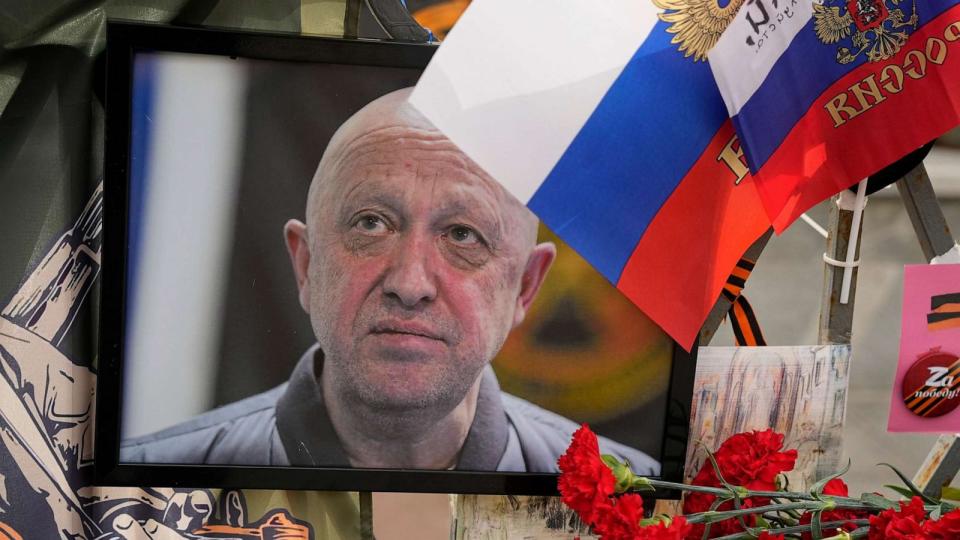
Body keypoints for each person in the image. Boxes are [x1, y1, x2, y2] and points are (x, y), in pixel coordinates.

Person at [121, 88, 658, 474]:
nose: (409, 281)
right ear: (306, 264)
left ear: (525, 287)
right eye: (371, 224)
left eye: (463, 235)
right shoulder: (146, 490)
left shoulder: (630, 505)